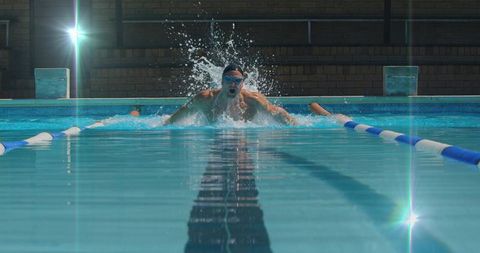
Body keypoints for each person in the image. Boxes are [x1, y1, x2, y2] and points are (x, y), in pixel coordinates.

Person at [165, 64, 297, 125]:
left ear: (242, 84)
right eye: (228, 80)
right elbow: (181, 114)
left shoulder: (253, 100)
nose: (232, 84)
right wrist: (165, 125)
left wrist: (294, 125)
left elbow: (275, 112)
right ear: (222, 82)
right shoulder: (206, 98)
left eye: (237, 81)